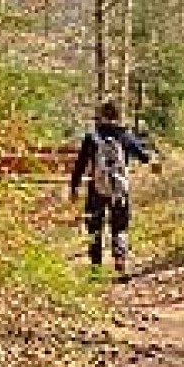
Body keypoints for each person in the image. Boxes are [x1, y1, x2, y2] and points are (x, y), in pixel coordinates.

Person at [68, 99, 155, 276]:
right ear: (117, 115)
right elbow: (144, 156)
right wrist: (153, 161)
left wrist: (74, 187)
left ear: (102, 116)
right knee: (120, 227)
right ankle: (120, 263)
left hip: (96, 190)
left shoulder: (92, 137)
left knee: (94, 228)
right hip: (120, 189)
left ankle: (95, 270)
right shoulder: (125, 135)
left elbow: (80, 165)